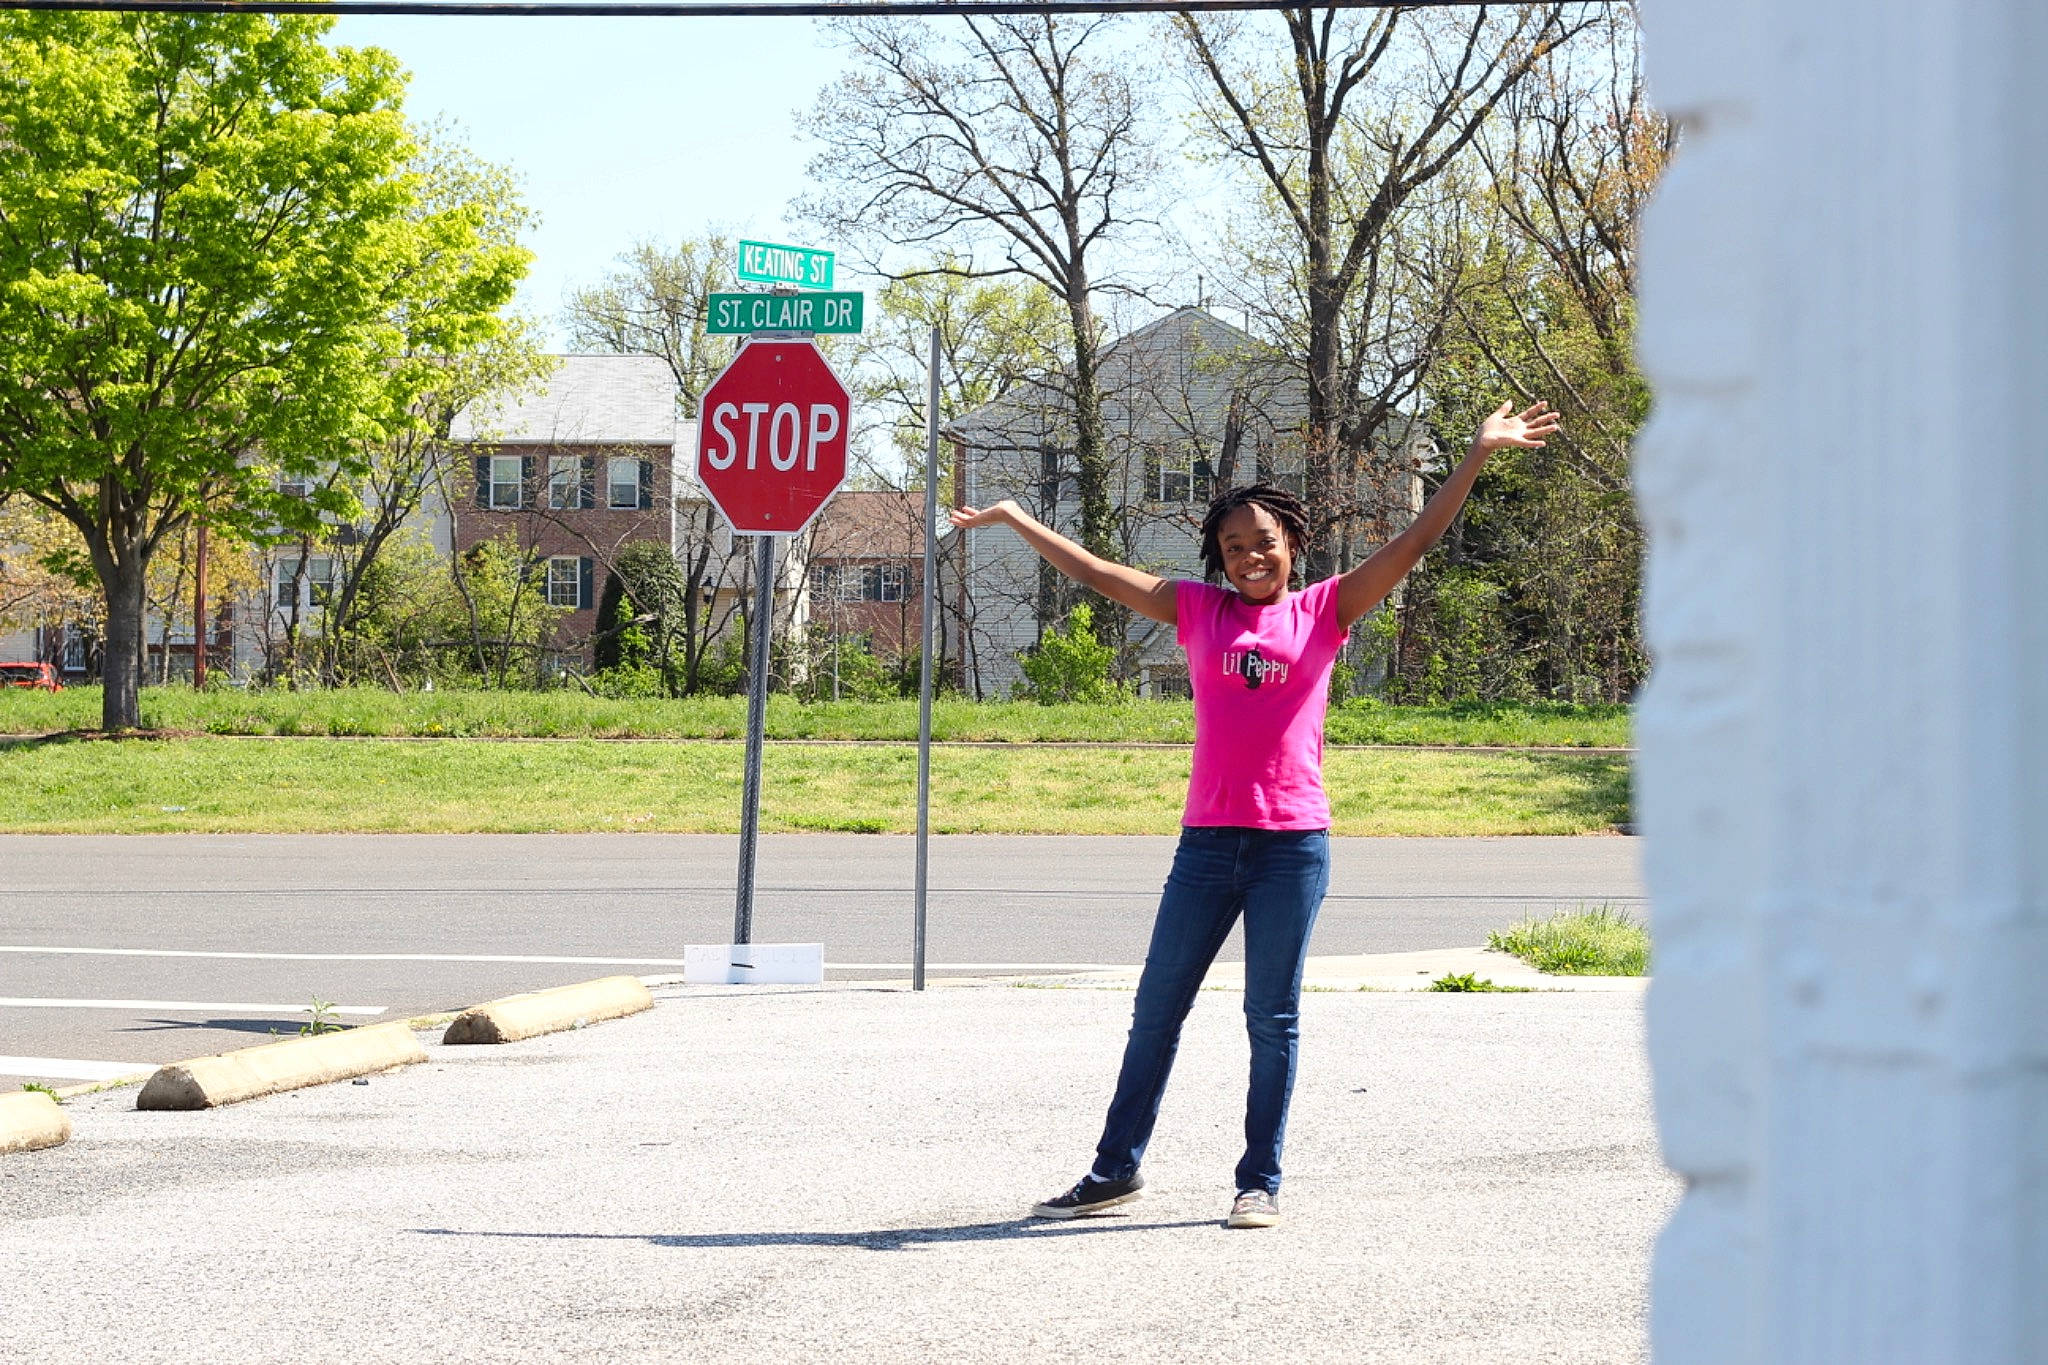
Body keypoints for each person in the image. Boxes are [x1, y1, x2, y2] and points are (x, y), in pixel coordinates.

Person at [948, 400, 1561, 1230]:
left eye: (1262, 543)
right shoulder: (1196, 609)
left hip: (1290, 847)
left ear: (1291, 545)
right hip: (1205, 846)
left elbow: (1414, 544)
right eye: (1233, 546)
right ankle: (1113, 1171)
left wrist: (1477, 455)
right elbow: (1095, 571)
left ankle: (1258, 1181)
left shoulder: (1326, 611)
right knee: (1156, 1009)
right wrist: (1017, 515)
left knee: (1270, 1018)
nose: (1248, 558)